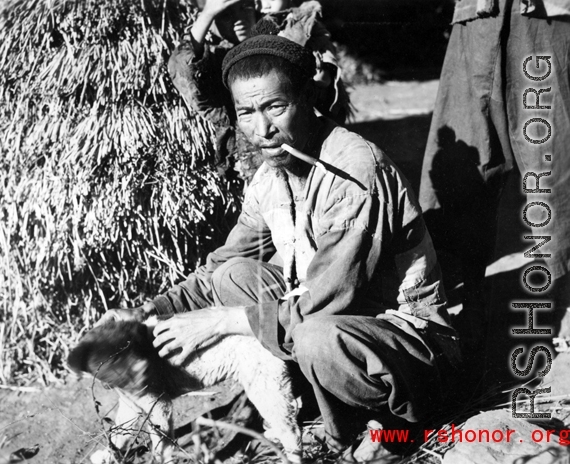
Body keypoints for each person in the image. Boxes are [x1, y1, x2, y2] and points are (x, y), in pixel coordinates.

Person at [107, 35, 460, 460]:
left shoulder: (353, 171)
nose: (262, 129)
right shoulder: (270, 176)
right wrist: (151, 311)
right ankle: (324, 397)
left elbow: (328, 300)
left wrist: (222, 322)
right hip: (335, 322)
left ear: (306, 97)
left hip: (407, 346)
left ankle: (399, 426)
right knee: (232, 275)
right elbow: (221, 265)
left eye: (276, 107)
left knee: (313, 337)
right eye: (247, 113)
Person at [418, 0, 570, 345]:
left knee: (554, 158)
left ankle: (564, 298)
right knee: (464, 161)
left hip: (545, 17)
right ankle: (468, 300)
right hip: (480, 19)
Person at [169, 0, 349, 182]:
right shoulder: (217, 65)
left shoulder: (288, 38)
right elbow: (184, 72)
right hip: (255, 170)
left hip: (307, 160)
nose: (238, 20)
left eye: (244, 8)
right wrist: (207, 14)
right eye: (226, 14)